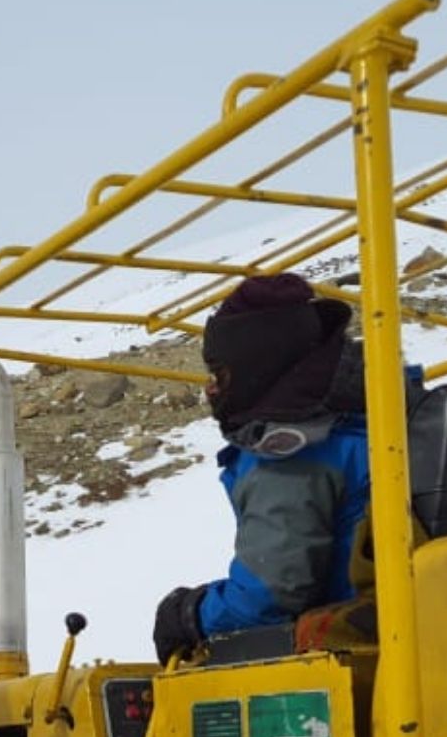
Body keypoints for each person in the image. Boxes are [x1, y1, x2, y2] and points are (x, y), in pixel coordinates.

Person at [152, 272, 410, 663]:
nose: (211, 390)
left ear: (260, 366)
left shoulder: (293, 451)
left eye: (220, 373)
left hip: (364, 664)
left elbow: (268, 595)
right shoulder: (387, 414)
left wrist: (189, 615)